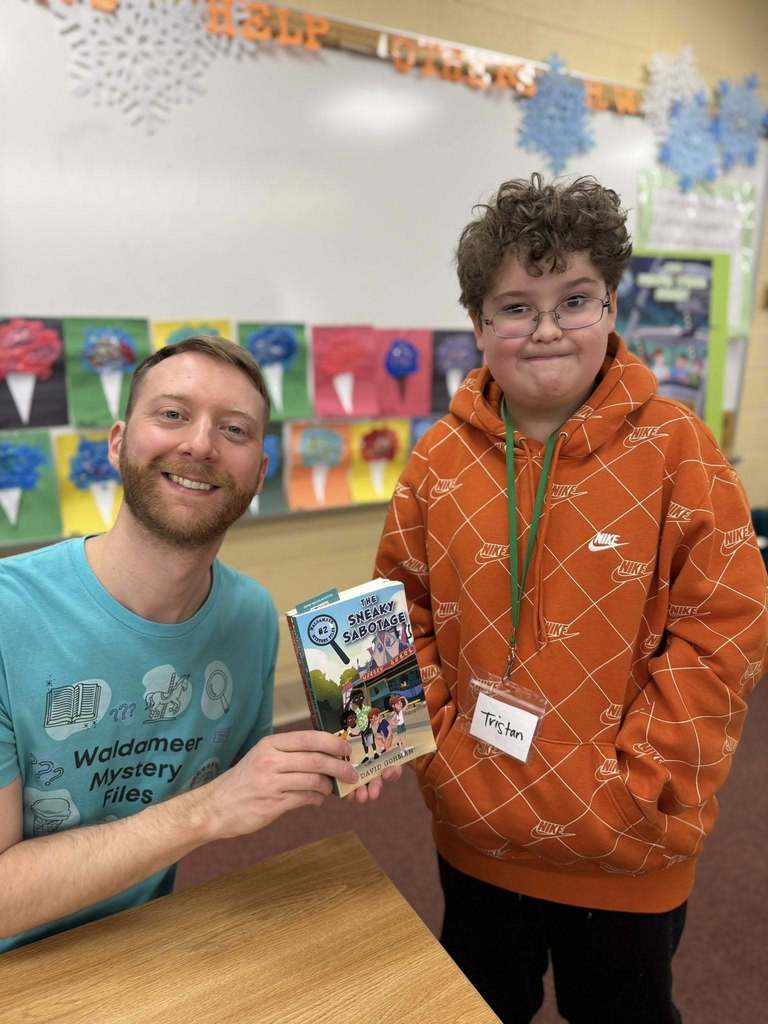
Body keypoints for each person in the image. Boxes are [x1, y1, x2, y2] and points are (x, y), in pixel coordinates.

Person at [374, 174, 767, 1024]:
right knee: (478, 1004)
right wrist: (436, 755)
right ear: (478, 324)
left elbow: (724, 633)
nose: (546, 327)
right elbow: (398, 610)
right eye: (515, 306)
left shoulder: (679, 450)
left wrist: (640, 782)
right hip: (474, 827)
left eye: (574, 299)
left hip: (627, 845)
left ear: (613, 306)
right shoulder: (438, 458)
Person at [0, 336, 393, 953]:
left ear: (259, 474)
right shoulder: (8, 616)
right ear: (117, 442)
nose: (201, 445)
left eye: (234, 430)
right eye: (173, 414)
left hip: (145, 944)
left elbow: (224, 770)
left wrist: (328, 753)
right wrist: (208, 811)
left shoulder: (250, 616)